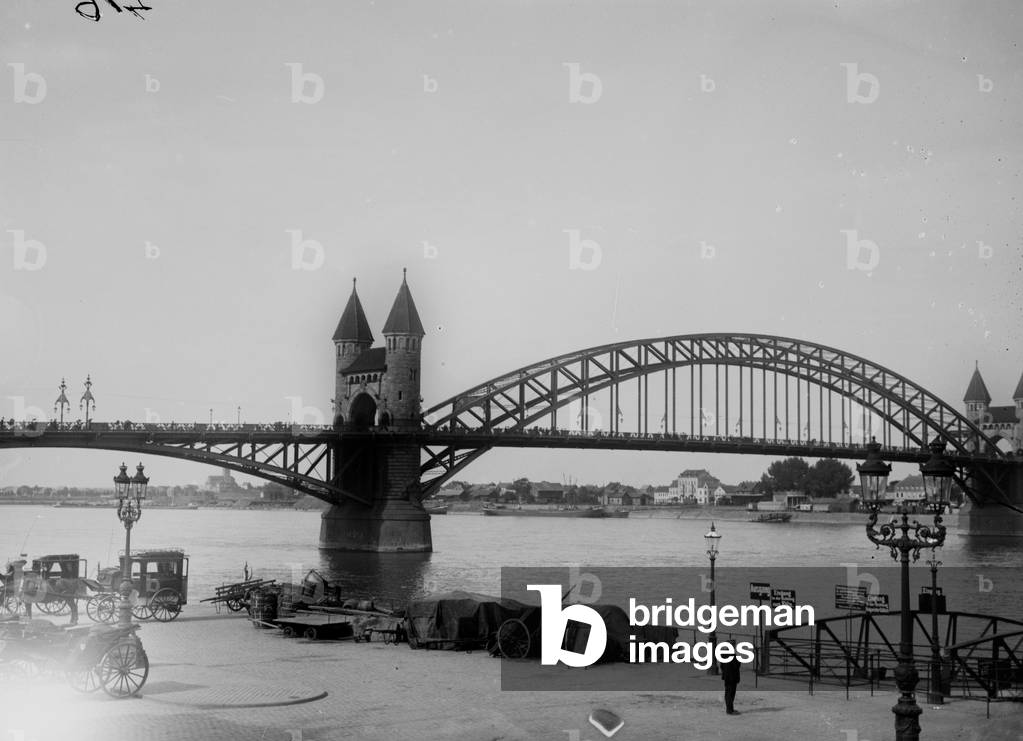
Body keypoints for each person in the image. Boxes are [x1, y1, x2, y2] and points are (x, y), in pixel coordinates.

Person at [720, 643, 741, 715]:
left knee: (728, 693)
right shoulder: (732, 655)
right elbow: (736, 666)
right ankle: (729, 710)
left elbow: (722, 666)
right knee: (731, 693)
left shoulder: (723, 656)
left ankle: (730, 709)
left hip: (727, 677)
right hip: (732, 677)